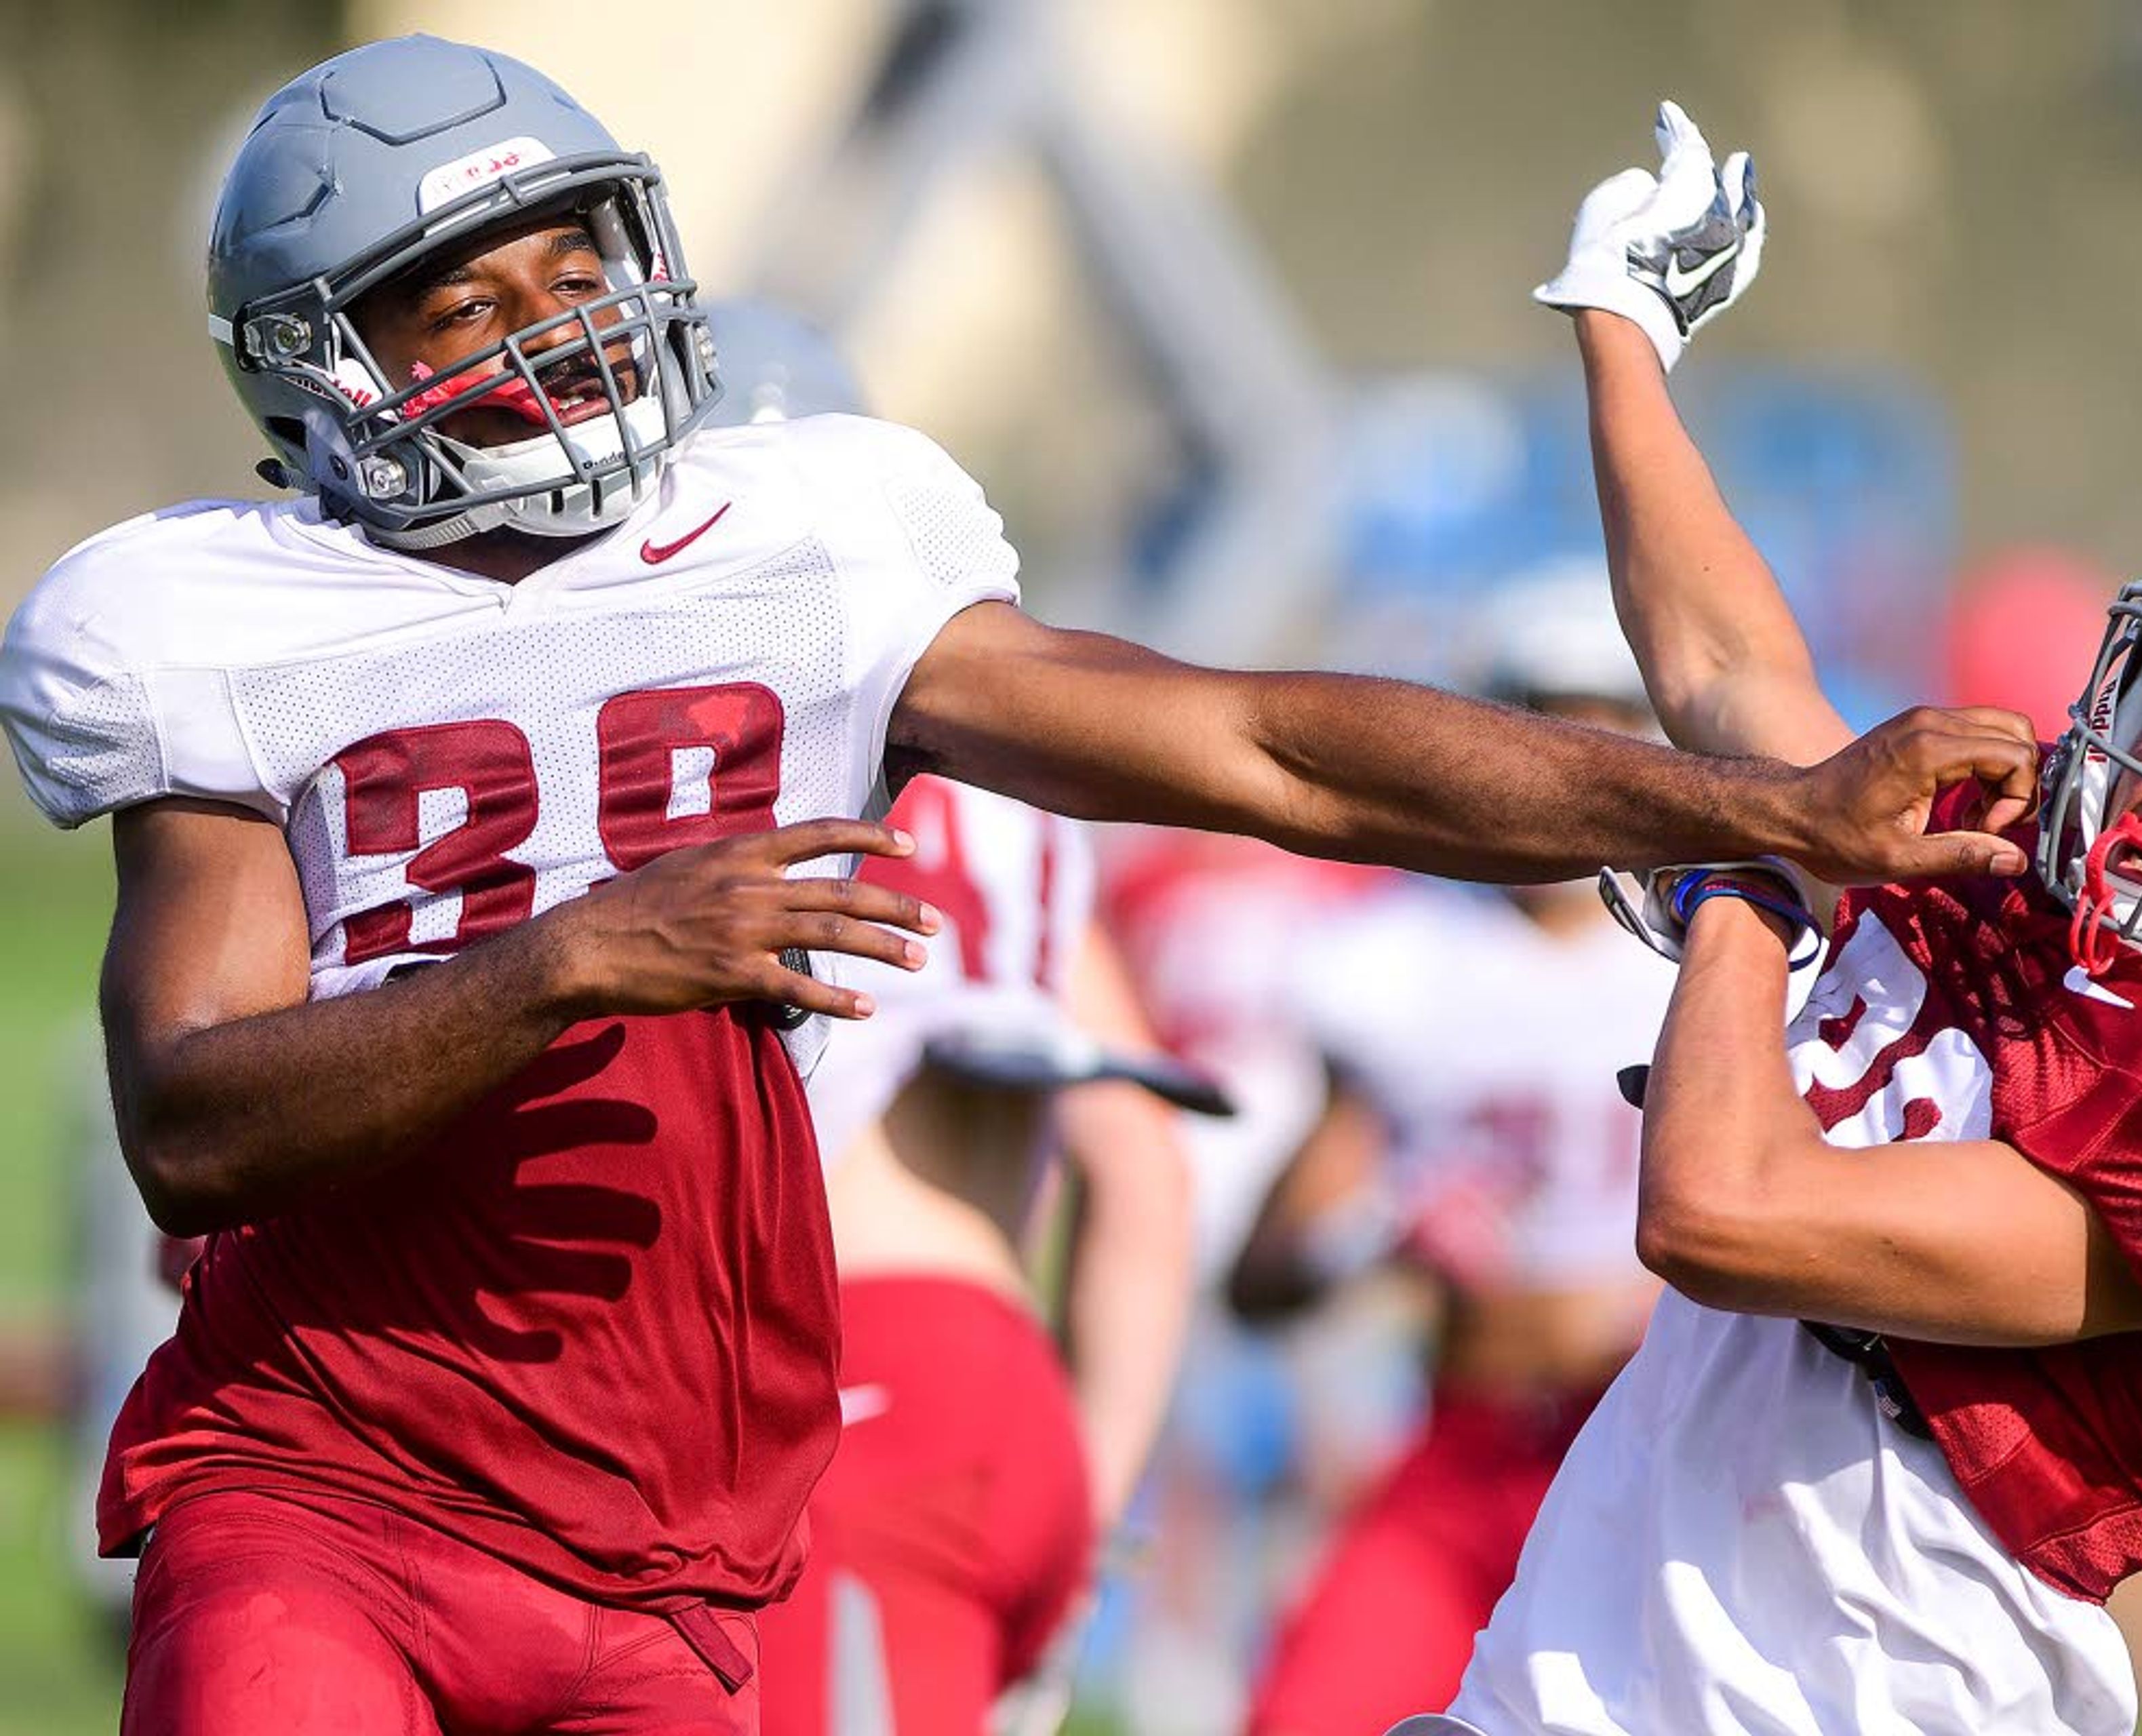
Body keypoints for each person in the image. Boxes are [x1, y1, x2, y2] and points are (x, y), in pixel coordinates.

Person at [0, 42, 2031, 1736]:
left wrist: (1755, 803)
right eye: (473, 302)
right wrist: (575, 956)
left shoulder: (809, 545)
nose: (563, 330)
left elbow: (1271, 750)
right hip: (327, 1487)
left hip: (681, 1533)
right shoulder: (220, 619)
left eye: (575, 265)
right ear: (322, 364)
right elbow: (196, 1119)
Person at [1393, 105, 2142, 1736]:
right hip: (1567, 1688)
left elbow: (1724, 1214)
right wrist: (1621, 326)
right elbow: (1733, 677)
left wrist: (1741, 872)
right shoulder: (2004, 862)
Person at [697, 304, 1216, 1736]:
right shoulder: (1016, 797)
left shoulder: (736, 767)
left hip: (857, 1402)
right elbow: (1146, 1172)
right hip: (1010, 1401)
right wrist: (1087, 1489)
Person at [1229, 569, 1674, 1736]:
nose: (1578, 755)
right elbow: (1262, 1278)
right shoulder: (1396, 957)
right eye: (1542, 716)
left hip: (1669, 1453)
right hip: (1462, 1446)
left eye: (1608, 722)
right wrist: (1377, 1225)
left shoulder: (1721, 955)